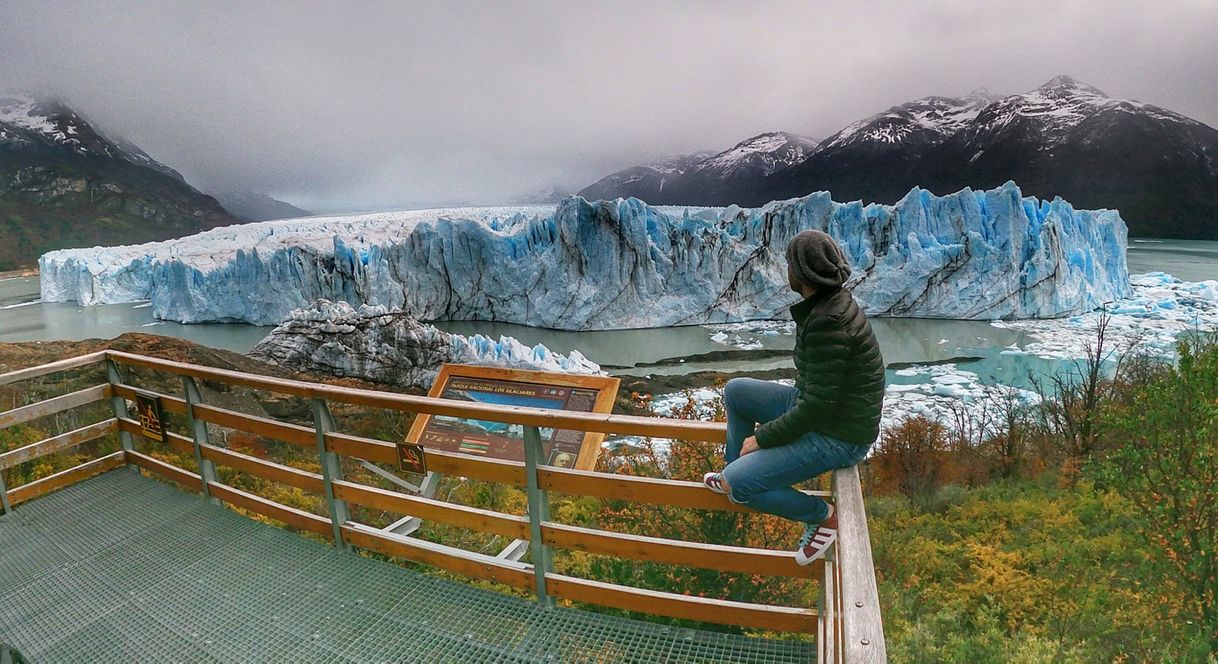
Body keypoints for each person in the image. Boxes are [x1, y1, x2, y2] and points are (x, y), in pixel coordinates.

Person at [703, 230, 885, 565]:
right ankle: (734, 469)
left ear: (801, 272)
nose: (785, 269)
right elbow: (817, 396)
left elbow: (817, 406)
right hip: (823, 410)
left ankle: (820, 516)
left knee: (742, 488)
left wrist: (762, 437)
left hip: (839, 435)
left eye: (788, 263)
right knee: (736, 391)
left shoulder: (829, 321)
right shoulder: (827, 304)